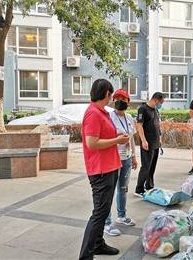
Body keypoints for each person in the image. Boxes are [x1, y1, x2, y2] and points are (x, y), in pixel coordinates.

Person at [79, 79, 130, 259]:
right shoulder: (93, 113)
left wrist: (117, 135)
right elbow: (92, 143)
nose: (112, 98)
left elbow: (103, 135)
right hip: (100, 170)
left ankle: (98, 244)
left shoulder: (102, 112)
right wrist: (117, 141)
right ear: (106, 94)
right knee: (99, 212)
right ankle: (86, 255)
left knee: (103, 210)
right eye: (111, 94)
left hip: (110, 166)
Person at [104, 89, 138, 237]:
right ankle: (106, 223)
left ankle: (122, 216)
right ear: (113, 101)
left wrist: (134, 157)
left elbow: (131, 138)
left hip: (127, 158)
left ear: (128, 102)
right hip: (113, 158)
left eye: (123, 99)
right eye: (117, 98)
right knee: (109, 190)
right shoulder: (108, 117)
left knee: (123, 188)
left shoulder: (130, 118)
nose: (120, 101)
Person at [134, 92, 164, 197]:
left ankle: (149, 186)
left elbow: (157, 125)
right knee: (146, 166)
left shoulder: (155, 110)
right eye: (160, 102)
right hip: (147, 143)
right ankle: (139, 189)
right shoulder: (143, 109)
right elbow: (139, 125)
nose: (161, 104)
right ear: (156, 100)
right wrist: (143, 140)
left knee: (152, 167)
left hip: (155, 143)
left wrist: (159, 139)